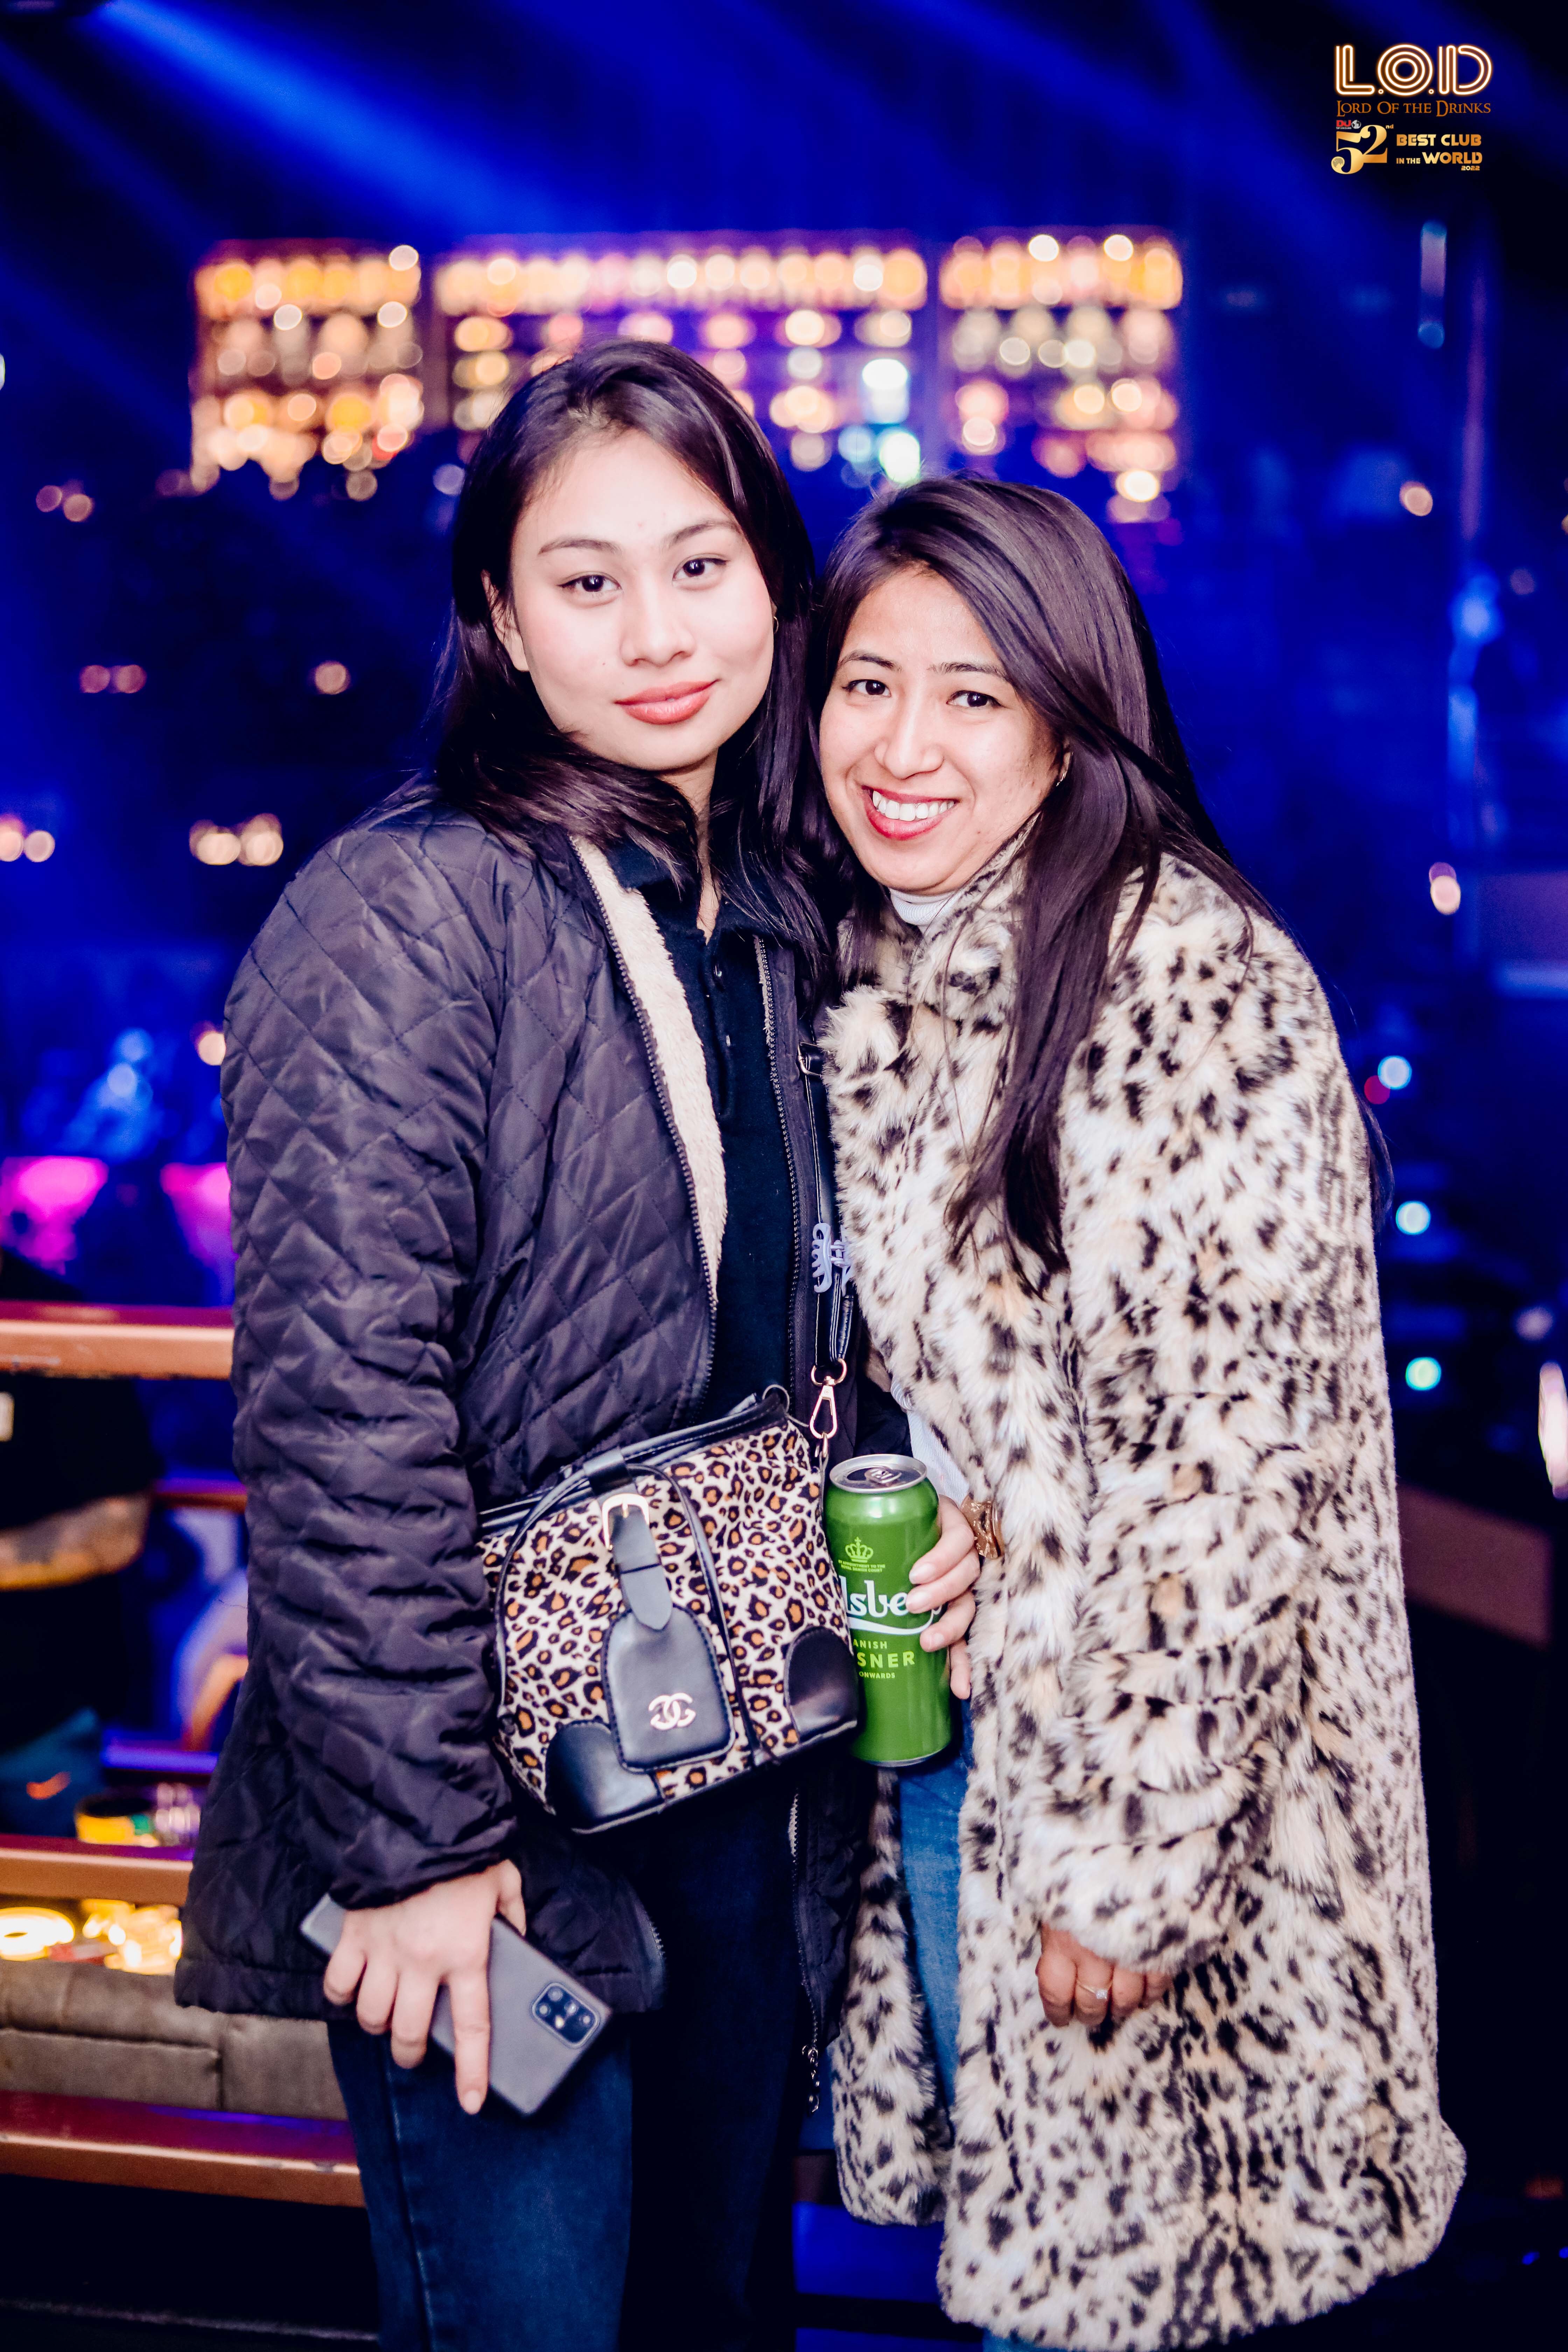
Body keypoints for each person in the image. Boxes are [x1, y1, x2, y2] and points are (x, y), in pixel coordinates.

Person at [174, 342, 980, 2352]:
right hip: (490, 1839)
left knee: (715, 2316)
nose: (656, 633)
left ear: (778, 587)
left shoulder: (781, 909)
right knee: (534, 2324)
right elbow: (339, 1412)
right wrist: (424, 1854)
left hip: (740, 1790)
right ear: (503, 620)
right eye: (588, 580)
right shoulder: (407, 913)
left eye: (701, 566)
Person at [811, 477, 1464, 2348]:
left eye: (974, 696)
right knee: (1029, 2293)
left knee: (1108, 2308)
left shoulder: (1185, 977)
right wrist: (966, 1510)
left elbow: (1225, 1476)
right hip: (969, 1765)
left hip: (1144, 1796)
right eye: (868, 684)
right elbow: (992, 1390)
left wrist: (1131, 1866)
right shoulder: (892, 964)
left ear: (1072, 721)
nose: (904, 748)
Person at [0, 1246, 161, 1833]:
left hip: (33, 1719)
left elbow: (119, 1526)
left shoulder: (57, 1319)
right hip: (40, 1720)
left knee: (66, 1884)